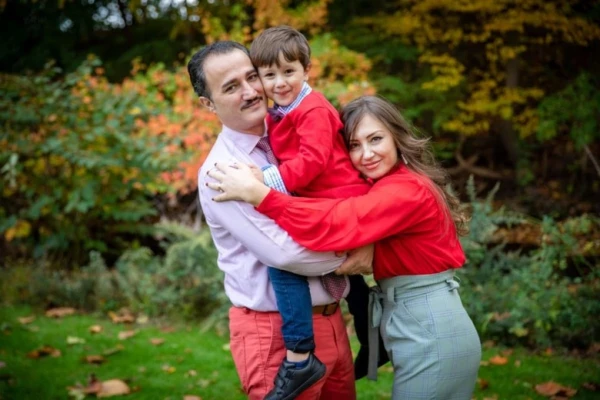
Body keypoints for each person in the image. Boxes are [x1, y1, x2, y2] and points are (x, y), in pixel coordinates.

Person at [207, 95, 483, 399]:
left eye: (376, 139)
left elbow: (338, 222)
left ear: (397, 137)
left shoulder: (407, 190)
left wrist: (260, 195)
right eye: (354, 145)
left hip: (431, 326)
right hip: (417, 320)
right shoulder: (390, 185)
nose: (366, 154)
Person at [187, 41, 362, 400]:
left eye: (252, 77)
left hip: (332, 320)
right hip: (276, 333)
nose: (251, 91)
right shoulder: (223, 172)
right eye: (231, 87)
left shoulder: (291, 132)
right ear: (208, 104)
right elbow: (287, 254)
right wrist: (363, 254)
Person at [245, 25, 385, 394]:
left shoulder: (314, 109)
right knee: (349, 274)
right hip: (325, 200)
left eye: (288, 71)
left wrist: (264, 180)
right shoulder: (281, 111)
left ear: (306, 69)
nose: (279, 82)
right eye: (269, 74)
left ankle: (300, 351)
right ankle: (375, 335)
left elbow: (312, 161)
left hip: (337, 201)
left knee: (281, 260)